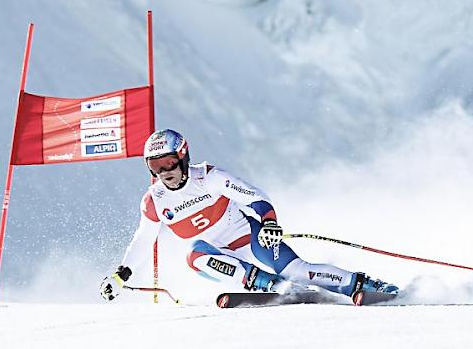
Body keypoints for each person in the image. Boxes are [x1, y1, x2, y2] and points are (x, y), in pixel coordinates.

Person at [100, 129, 398, 301]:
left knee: (296, 270)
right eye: (155, 166)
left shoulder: (210, 177)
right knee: (194, 255)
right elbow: (144, 239)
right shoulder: (155, 200)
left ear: (183, 156)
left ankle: (363, 285)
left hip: (249, 237)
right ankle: (271, 287)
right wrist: (122, 274)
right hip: (217, 256)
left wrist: (268, 223)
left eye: (168, 162)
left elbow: (256, 197)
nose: (164, 172)